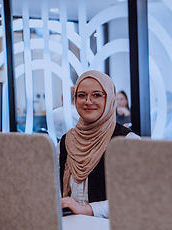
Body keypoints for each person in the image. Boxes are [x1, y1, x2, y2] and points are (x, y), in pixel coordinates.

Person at [57, 70, 140, 218]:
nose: (88, 101)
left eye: (96, 95)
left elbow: (134, 198)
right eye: (81, 95)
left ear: (109, 99)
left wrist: (86, 210)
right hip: (71, 228)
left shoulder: (126, 143)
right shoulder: (66, 142)